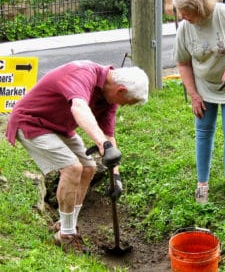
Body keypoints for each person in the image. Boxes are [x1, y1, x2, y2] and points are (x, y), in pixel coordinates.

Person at [6, 60, 149, 253]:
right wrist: (103, 145)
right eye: (128, 103)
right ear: (121, 91)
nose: (125, 106)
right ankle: (65, 236)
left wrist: (116, 177)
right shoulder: (82, 73)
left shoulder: (109, 99)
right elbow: (79, 107)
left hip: (60, 128)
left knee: (89, 168)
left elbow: (108, 135)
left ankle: (67, 227)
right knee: (73, 168)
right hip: (32, 122)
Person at [172, 0, 225, 203]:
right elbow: (183, 63)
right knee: (203, 132)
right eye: (180, 12)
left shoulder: (223, 15)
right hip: (203, 86)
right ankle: (202, 184)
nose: (183, 17)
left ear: (199, 6)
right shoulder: (185, 27)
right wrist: (194, 95)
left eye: (187, 12)